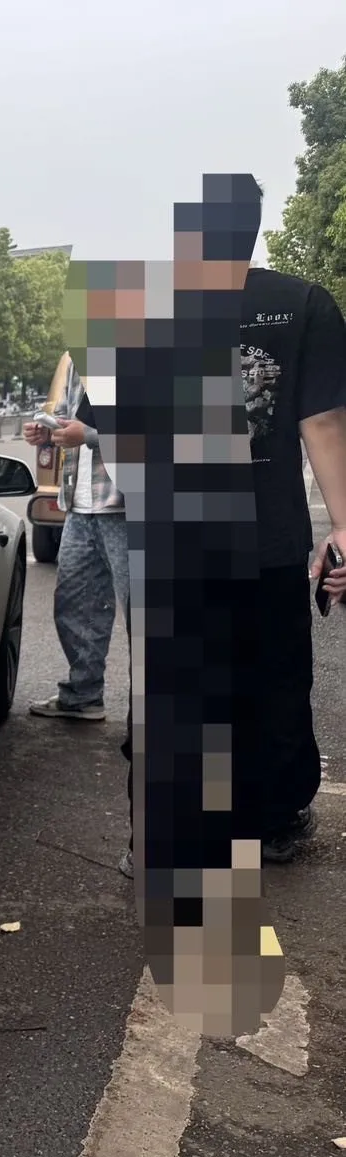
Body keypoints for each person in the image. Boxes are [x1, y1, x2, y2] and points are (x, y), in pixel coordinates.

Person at [234, 259, 346, 861]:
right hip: (266, 535)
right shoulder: (304, 302)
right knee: (275, 675)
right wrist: (343, 524)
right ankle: (274, 821)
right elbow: (322, 422)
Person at [23, 397, 129, 723]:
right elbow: (71, 422)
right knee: (75, 606)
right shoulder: (76, 371)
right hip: (79, 505)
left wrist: (90, 435)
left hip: (127, 506)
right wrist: (49, 432)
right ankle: (83, 695)